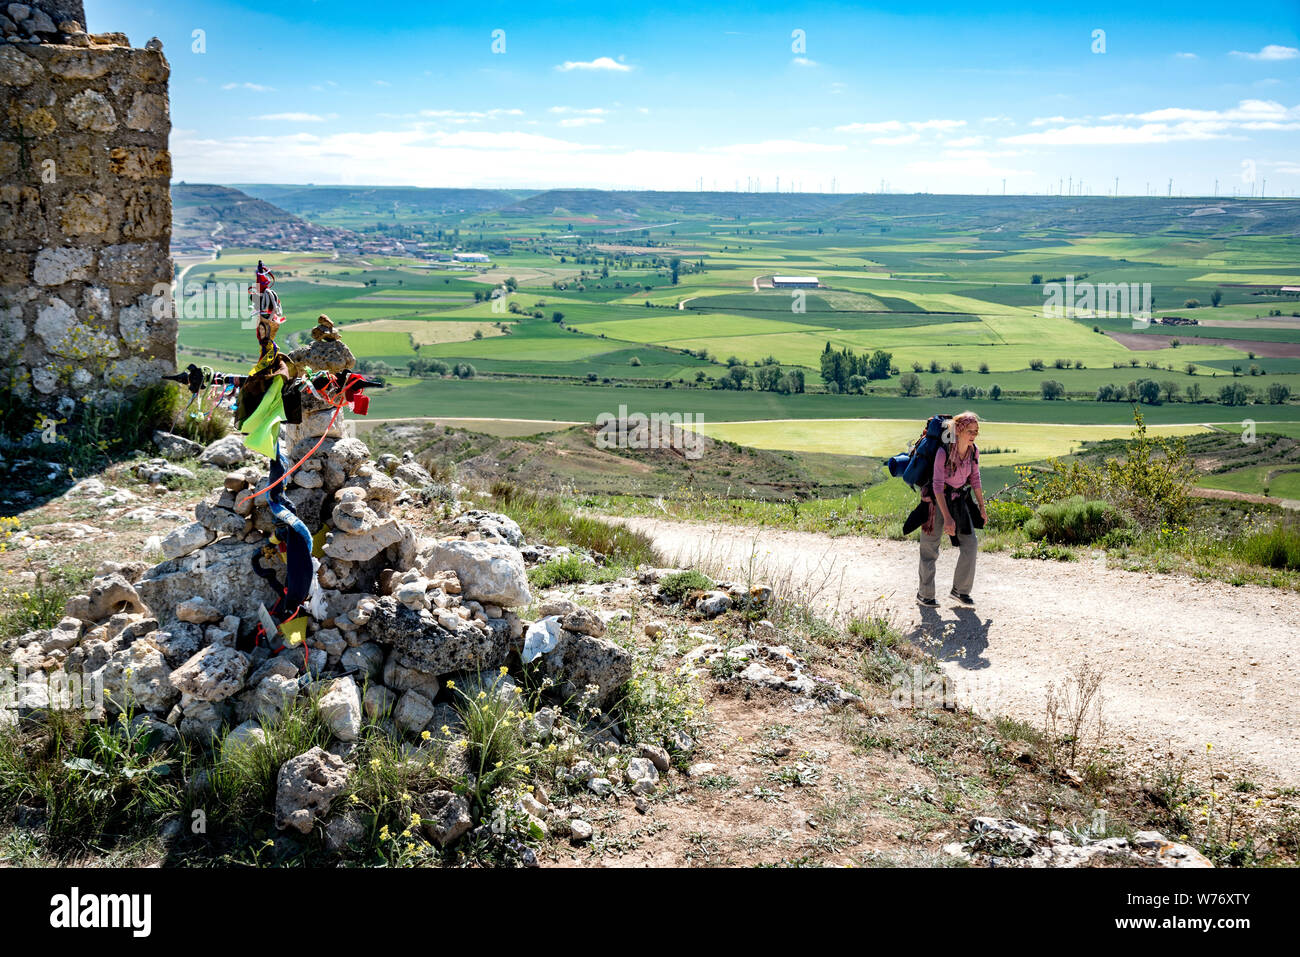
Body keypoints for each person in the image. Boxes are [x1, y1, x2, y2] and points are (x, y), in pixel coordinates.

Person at [918, 411, 987, 607]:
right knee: (930, 548)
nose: (973, 435)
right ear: (958, 430)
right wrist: (947, 518)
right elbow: (937, 486)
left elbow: (975, 479)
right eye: (969, 431)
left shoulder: (973, 451)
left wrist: (982, 507)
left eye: (976, 431)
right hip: (935, 501)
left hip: (959, 500)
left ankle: (960, 591)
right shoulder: (943, 452)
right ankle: (925, 594)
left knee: (970, 544)